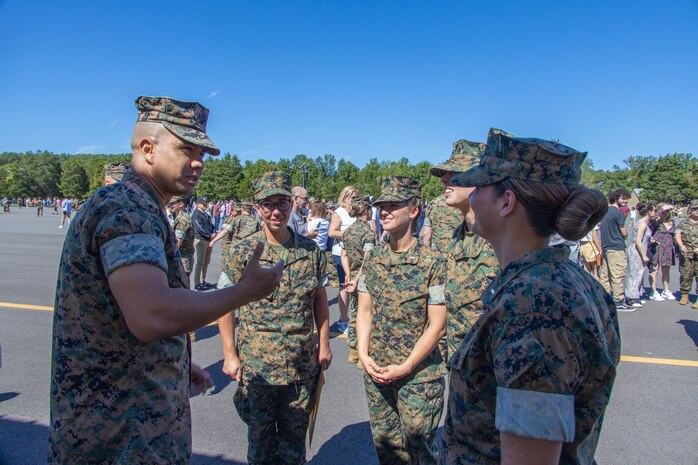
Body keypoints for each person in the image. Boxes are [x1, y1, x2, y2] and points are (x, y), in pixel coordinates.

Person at [48, 96, 283, 464]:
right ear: (147, 149)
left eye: (202, 154)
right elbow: (151, 314)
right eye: (186, 149)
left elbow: (127, 317)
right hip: (119, 440)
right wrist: (244, 292)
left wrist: (173, 359)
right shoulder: (128, 207)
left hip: (124, 425)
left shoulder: (138, 204)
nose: (198, 163)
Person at [441, 128, 619, 465]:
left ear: (507, 202)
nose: (472, 195)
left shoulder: (535, 305)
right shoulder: (558, 282)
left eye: (480, 187)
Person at [217, 171, 332, 465]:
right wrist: (230, 354)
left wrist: (324, 344)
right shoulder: (243, 251)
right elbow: (224, 305)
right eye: (268, 204)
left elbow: (319, 298)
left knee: (294, 443)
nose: (276, 211)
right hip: (258, 368)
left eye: (282, 203)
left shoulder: (310, 252)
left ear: (292, 204)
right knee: (260, 443)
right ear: (257, 208)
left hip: (300, 364)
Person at [355, 176, 446, 464]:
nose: (384, 212)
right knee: (388, 450)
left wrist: (406, 366)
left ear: (414, 210)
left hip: (418, 375)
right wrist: (363, 353)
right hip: (378, 370)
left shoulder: (433, 262)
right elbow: (365, 311)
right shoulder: (374, 259)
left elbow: (438, 324)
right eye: (382, 206)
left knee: (420, 448)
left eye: (394, 205)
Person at [431, 139, 499, 362]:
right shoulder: (459, 235)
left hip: (491, 365)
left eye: (455, 174)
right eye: (444, 173)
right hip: (460, 361)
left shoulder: (501, 236)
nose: (444, 180)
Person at [340, 196, 375, 365]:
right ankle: (363, 352)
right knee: (366, 314)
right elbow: (367, 259)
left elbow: (344, 254)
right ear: (366, 211)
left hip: (353, 274)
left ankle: (353, 350)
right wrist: (356, 278)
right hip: (364, 277)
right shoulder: (367, 233)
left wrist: (348, 274)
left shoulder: (348, 231)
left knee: (354, 312)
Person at [328, 185, 358, 333]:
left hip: (355, 254)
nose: (355, 200)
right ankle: (344, 320)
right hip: (341, 253)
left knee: (356, 286)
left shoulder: (356, 212)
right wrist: (350, 235)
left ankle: (352, 317)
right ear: (345, 198)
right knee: (345, 287)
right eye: (353, 197)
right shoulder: (338, 213)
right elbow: (332, 232)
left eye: (357, 197)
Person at [599, 188, 632, 310]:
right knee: (618, 274)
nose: (625, 201)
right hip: (616, 247)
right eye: (623, 198)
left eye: (626, 199)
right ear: (616, 198)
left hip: (606, 247)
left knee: (605, 274)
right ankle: (618, 300)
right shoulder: (618, 214)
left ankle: (605, 297)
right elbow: (624, 233)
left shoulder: (604, 212)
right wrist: (625, 234)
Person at [624, 202, 655, 307]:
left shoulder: (641, 222)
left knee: (639, 274)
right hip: (636, 252)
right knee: (635, 274)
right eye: (653, 211)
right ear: (649, 212)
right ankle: (631, 298)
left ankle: (636, 294)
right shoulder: (642, 224)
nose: (655, 213)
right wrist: (643, 255)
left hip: (639, 250)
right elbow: (638, 241)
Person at [651, 204, 677, 300]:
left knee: (666, 271)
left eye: (667, 211)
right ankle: (653, 291)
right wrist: (661, 210)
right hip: (657, 248)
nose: (666, 213)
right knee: (655, 270)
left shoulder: (672, 222)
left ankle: (666, 290)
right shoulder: (656, 222)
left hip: (668, 249)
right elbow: (652, 219)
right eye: (664, 212)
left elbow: (675, 236)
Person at [676, 200, 698, 307]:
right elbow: (677, 234)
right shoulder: (683, 223)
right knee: (685, 275)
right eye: (694, 208)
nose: (697, 211)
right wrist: (681, 245)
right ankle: (684, 295)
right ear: (690, 210)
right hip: (686, 253)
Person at [192, 196, 216, 290]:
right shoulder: (196, 214)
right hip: (201, 239)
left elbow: (211, 225)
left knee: (206, 261)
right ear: (198, 204)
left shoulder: (205, 214)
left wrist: (214, 232)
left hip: (208, 239)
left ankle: (203, 280)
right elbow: (199, 227)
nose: (206, 205)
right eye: (204, 203)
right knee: (200, 262)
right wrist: (209, 235)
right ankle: (197, 283)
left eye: (206, 203)